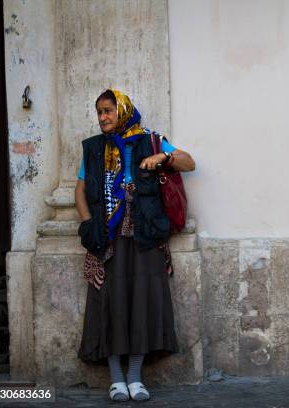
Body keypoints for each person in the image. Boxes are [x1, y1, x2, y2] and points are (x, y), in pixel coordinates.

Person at [75, 89, 195, 401]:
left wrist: (162, 157)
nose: (103, 118)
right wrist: (88, 224)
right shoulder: (93, 148)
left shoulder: (150, 140)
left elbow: (189, 162)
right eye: (99, 112)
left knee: (144, 301)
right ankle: (116, 378)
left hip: (145, 233)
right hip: (108, 236)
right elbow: (80, 188)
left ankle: (135, 377)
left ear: (123, 111)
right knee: (111, 302)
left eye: (108, 111)